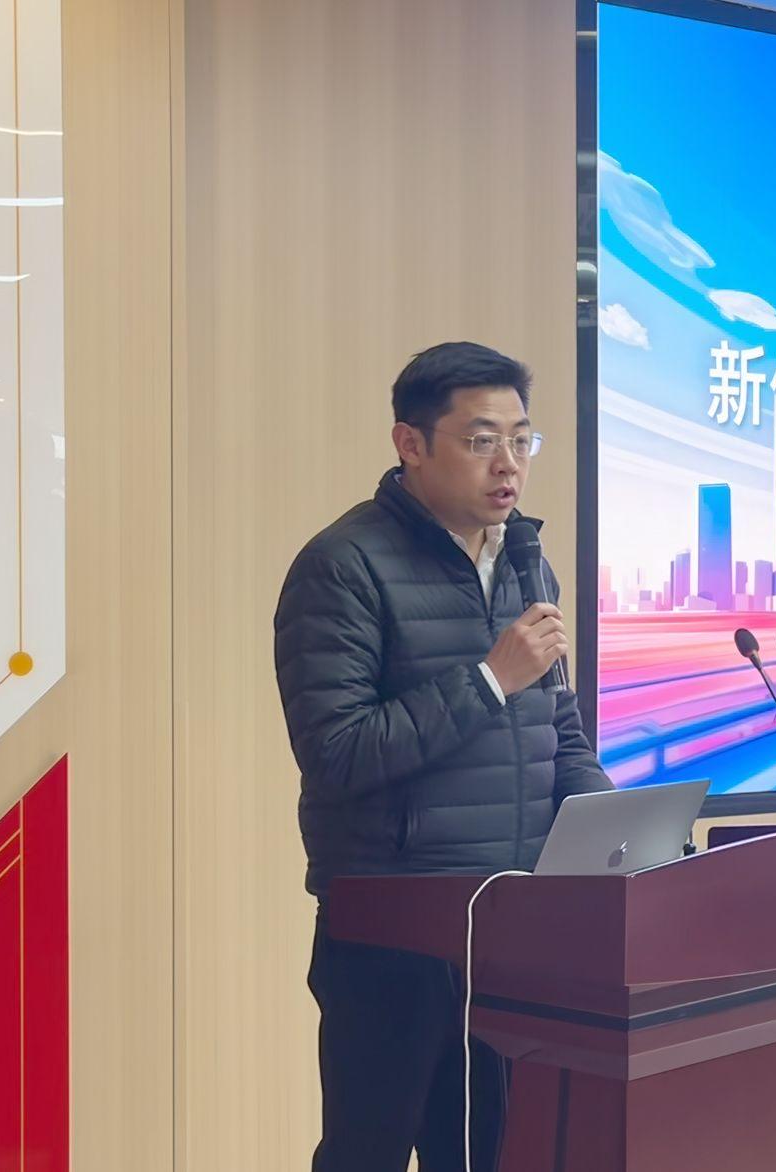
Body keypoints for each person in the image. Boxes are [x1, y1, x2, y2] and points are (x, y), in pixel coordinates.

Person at [273, 341, 613, 1172]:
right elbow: (337, 753)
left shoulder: (525, 563)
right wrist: (489, 681)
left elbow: (557, 726)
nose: (509, 464)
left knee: (497, 1151)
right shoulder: (342, 567)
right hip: (394, 928)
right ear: (411, 444)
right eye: (481, 440)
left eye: (522, 440)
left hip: (512, 920)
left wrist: (616, 830)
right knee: (368, 1153)